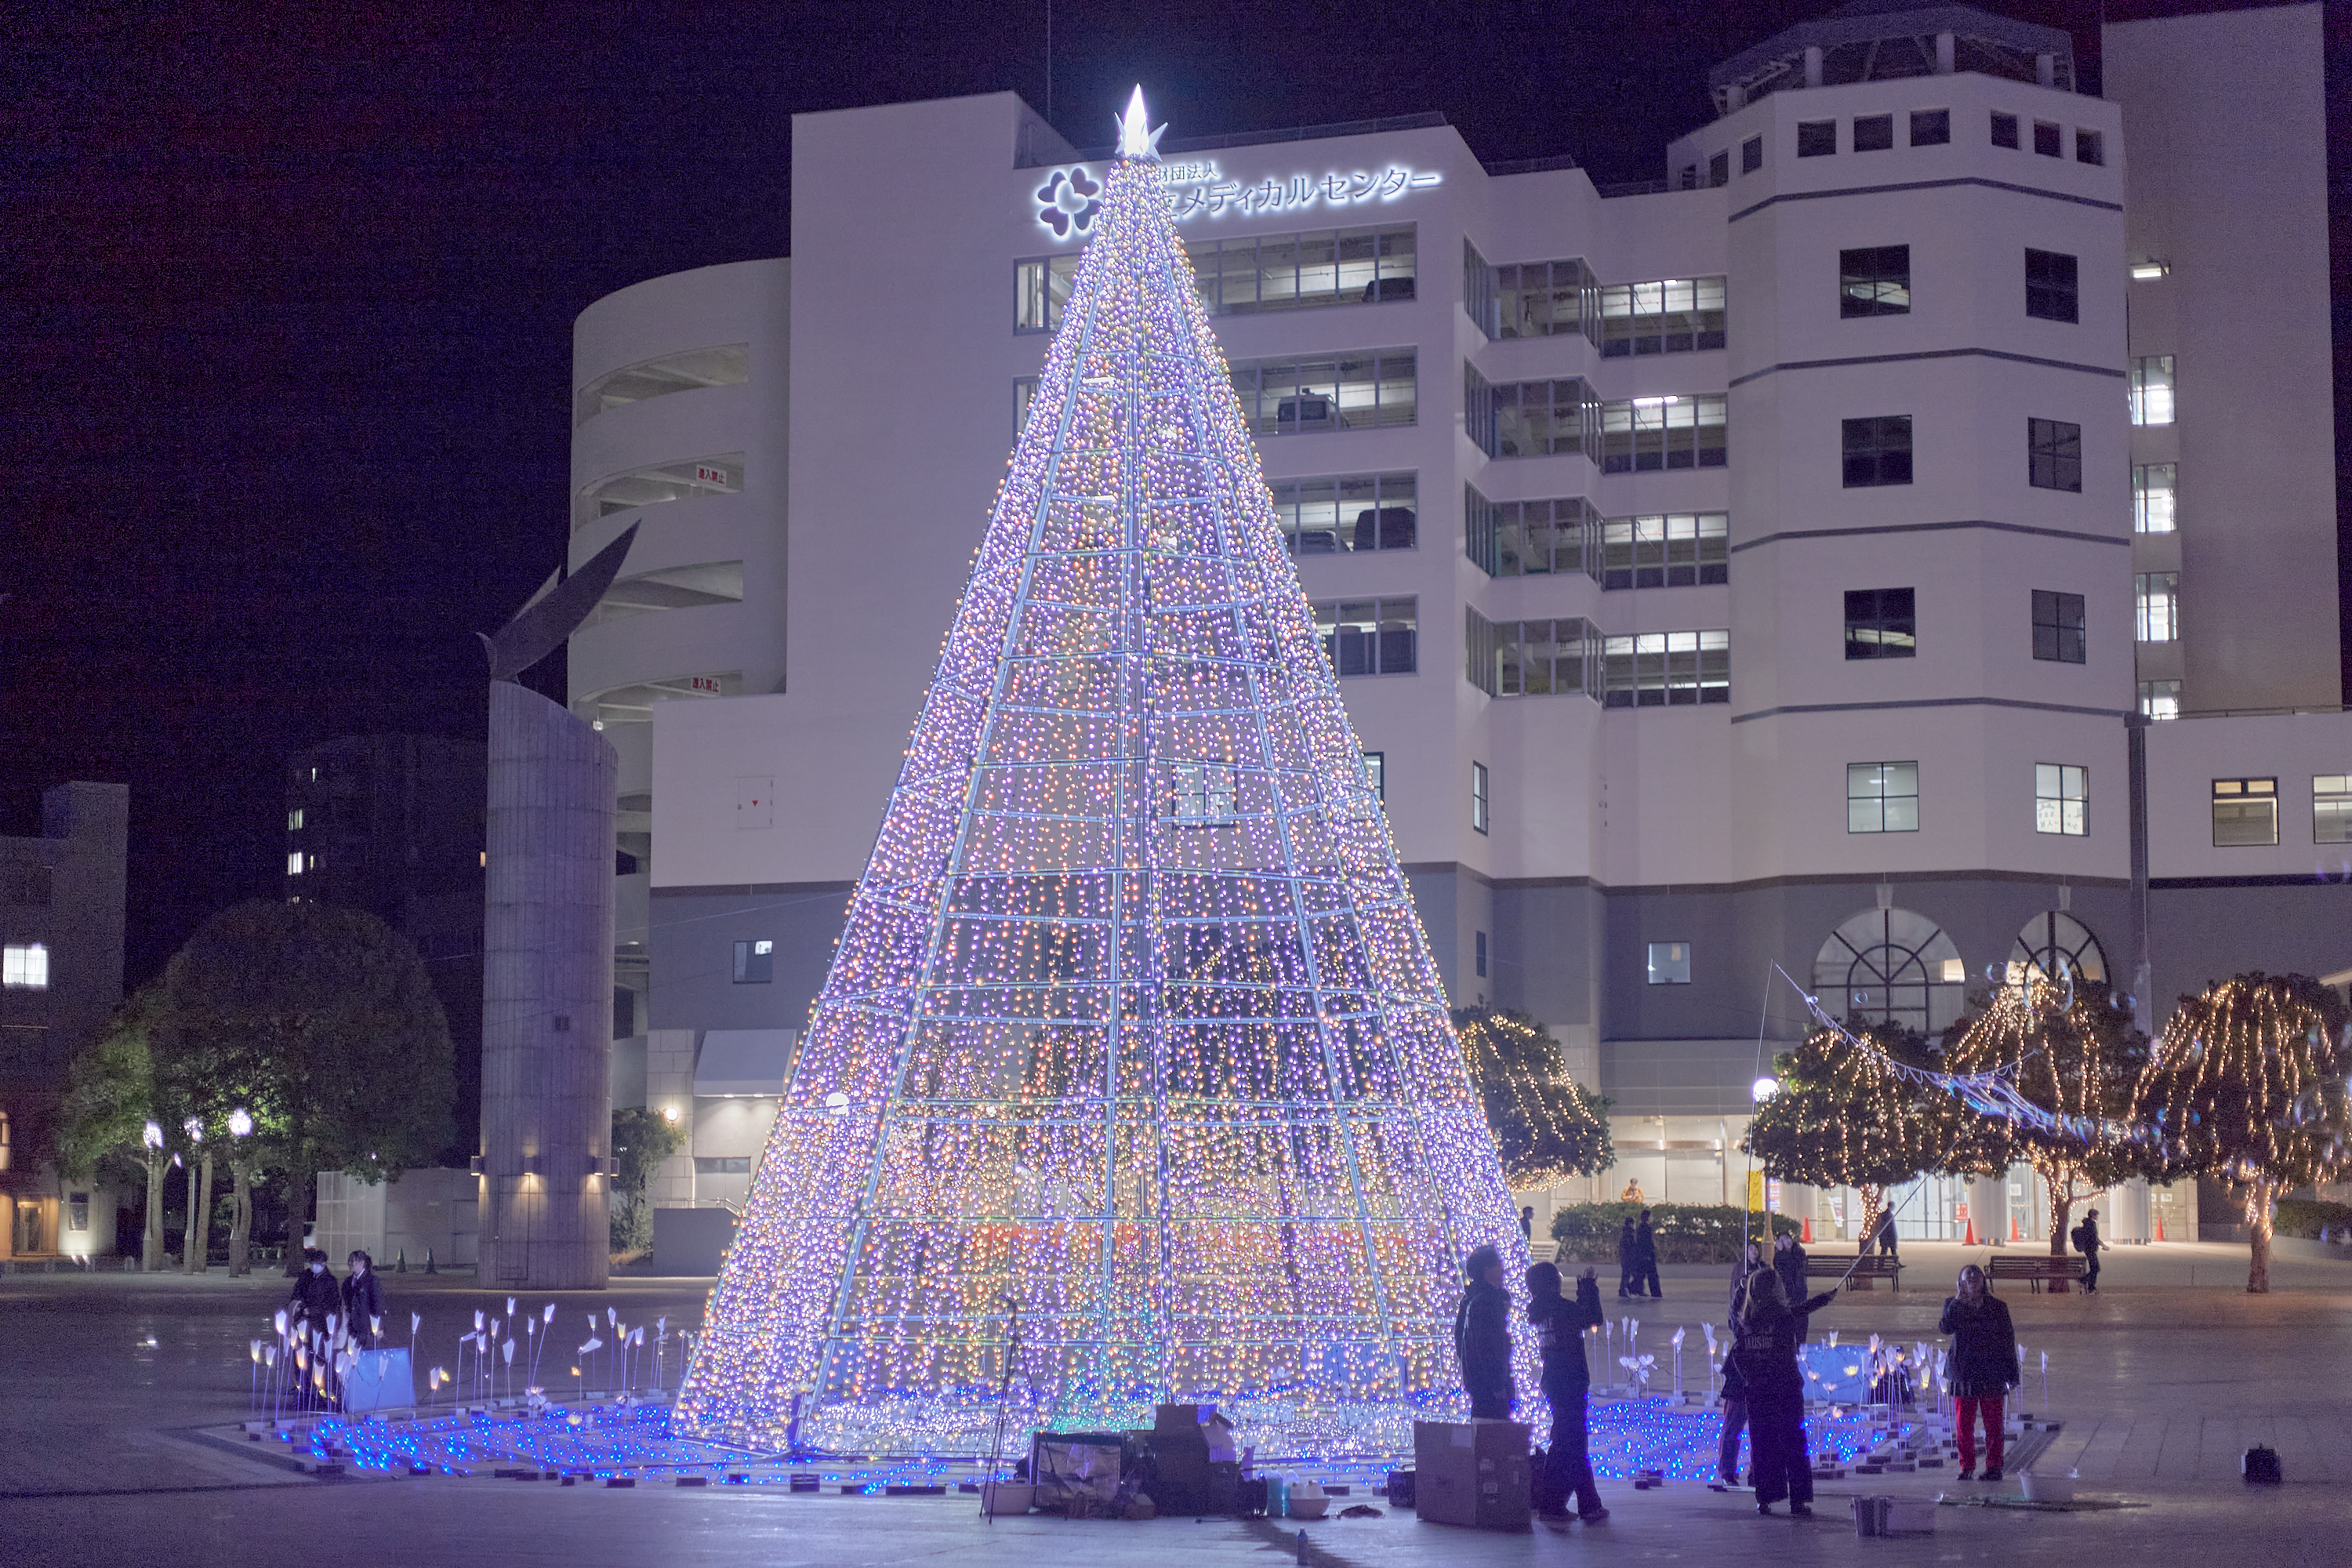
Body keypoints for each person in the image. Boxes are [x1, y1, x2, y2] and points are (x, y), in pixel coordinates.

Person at [1733, 1267, 1838, 1516]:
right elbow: (1799, 1312)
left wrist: (1749, 1377)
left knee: (1762, 1445)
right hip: (1785, 1389)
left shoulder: (1746, 1319)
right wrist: (1824, 1299)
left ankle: (1765, 1498)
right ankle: (1797, 1500)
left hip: (1758, 1392)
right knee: (1793, 1443)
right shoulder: (1782, 1316)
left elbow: (1738, 1353)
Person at [1526, 1261, 1610, 1525]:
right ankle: (1567, 1504)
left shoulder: (1540, 1311)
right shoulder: (1561, 1309)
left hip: (1554, 1382)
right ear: (1553, 1283)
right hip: (1570, 1382)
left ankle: (1576, 1504)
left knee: (1568, 1444)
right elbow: (1592, 1318)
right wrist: (1588, 1289)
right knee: (1571, 1445)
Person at [1938, 1264, 2020, 1481]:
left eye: (1976, 1277)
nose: (1973, 1280)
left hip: (1992, 1371)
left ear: (1983, 1281)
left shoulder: (1997, 1307)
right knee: (1964, 1425)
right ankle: (1967, 1466)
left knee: (1993, 1424)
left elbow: (2007, 1340)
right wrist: (1958, 1301)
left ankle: (1994, 1466)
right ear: (1960, 1282)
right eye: (1967, 1277)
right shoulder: (1953, 1304)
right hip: (1963, 1373)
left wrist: (2012, 1374)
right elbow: (1945, 1328)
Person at [1454, 1243, 1515, 1419]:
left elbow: (1461, 1343)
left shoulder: (1470, 1299)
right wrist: (1497, 1384)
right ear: (1486, 1269)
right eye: (1498, 1264)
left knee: (1483, 1434)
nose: (1502, 1268)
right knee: (1494, 1437)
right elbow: (1489, 1345)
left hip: (1479, 1383)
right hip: (1492, 1386)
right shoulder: (1488, 1301)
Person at [341, 1250, 386, 1348]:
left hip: (367, 1327)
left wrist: (379, 1327)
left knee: (367, 1353)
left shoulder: (372, 1281)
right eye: (350, 1261)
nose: (350, 1264)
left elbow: (377, 1304)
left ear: (362, 1263)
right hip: (351, 1326)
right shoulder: (348, 1282)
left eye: (354, 1261)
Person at [1773, 1230, 1812, 1341]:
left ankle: (1801, 1347)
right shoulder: (1779, 1256)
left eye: (1788, 1238)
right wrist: (1781, 1252)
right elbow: (1780, 1270)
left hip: (1799, 1292)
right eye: (1784, 1239)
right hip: (1787, 1294)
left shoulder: (1798, 1251)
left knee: (1801, 1324)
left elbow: (1793, 1266)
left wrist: (1782, 1252)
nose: (1788, 1241)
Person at [1633, 1208, 1663, 1299]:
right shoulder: (1645, 1228)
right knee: (1651, 1275)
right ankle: (1655, 1293)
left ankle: (1636, 1289)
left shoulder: (1642, 1227)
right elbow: (1646, 1242)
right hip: (1647, 1255)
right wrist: (1649, 1254)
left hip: (1644, 1255)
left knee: (1641, 1275)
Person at [2073, 1208, 2103, 1294]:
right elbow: (2094, 1237)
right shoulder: (2091, 1225)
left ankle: (2090, 1285)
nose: (2097, 1217)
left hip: (2088, 1249)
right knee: (2095, 1268)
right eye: (2096, 1215)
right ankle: (2086, 1283)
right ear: (2093, 1215)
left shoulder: (2087, 1224)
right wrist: (2102, 1245)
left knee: (2095, 1268)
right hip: (2091, 1249)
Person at [1616, 1217, 1639, 1298]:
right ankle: (1624, 1290)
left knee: (1626, 1274)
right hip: (1628, 1257)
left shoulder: (1625, 1233)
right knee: (1627, 1274)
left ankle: (1625, 1289)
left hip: (1625, 1257)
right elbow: (1630, 1246)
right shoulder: (1629, 1233)